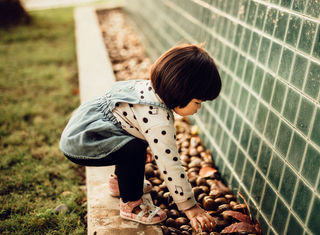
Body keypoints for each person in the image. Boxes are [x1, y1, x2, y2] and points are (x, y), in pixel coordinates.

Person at [59, 44, 221, 232]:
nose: (198, 109)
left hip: (84, 130)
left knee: (133, 143)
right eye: (197, 102)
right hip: (84, 143)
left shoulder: (147, 89)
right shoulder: (157, 119)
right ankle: (132, 204)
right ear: (180, 91)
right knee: (134, 149)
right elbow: (170, 163)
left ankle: (120, 182)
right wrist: (190, 206)